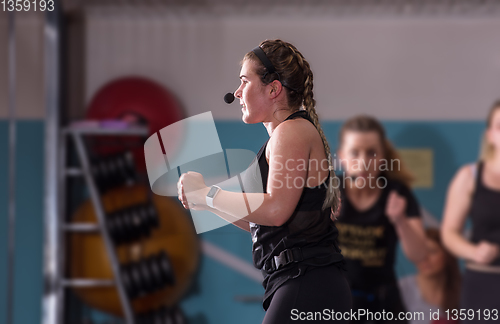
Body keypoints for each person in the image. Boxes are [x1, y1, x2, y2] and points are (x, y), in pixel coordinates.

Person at [177, 39, 352, 323]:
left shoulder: (290, 132)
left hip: (306, 282)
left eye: (244, 81)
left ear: (273, 89)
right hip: (303, 282)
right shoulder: (287, 134)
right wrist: (205, 202)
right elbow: (263, 221)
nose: (236, 92)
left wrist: (208, 193)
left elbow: (275, 210)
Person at [334, 115, 429, 323]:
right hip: (337, 302)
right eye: (355, 153)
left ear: (383, 156)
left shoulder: (396, 193)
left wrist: (400, 220)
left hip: (384, 304)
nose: (364, 162)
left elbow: (420, 253)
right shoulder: (329, 192)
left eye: (372, 153)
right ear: (342, 156)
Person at [441, 100, 500, 324]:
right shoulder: (469, 176)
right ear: (490, 135)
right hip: (483, 284)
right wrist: (474, 251)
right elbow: (449, 233)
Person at [399, 228, 461, 324]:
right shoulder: (401, 289)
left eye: (432, 251)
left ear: (447, 255)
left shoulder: (463, 289)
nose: (425, 258)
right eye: (420, 252)